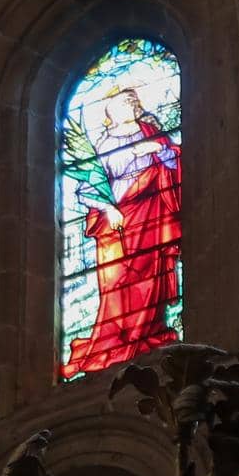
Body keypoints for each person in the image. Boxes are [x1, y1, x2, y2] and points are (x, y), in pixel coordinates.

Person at [62, 87, 182, 376]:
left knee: (149, 275)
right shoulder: (104, 143)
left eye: (131, 102)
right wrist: (108, 208)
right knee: (116, 280)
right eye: (121, 103)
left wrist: (159, 148)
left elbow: (175, 163)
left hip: (150, 210)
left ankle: (146, 335)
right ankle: (113, 342)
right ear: (110, 110)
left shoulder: (150, 132)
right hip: (117, 217)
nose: (128, 106)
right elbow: (89, 184)